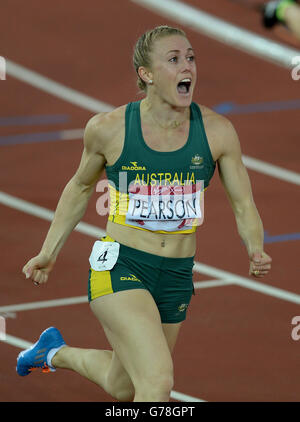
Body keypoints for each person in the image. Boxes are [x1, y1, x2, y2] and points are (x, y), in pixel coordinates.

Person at [17, 25, 272, 402]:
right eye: (173, 60)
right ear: (147, 75)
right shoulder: (109, 129)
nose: (187, 67)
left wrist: (255, 247)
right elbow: (81, 186)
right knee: (156, 383)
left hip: (176, 274)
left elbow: (243, 203)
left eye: (190, 57)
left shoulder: (218, 132)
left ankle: (52, 353)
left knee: (126, 385)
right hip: (121, 264)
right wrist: (49, 251)